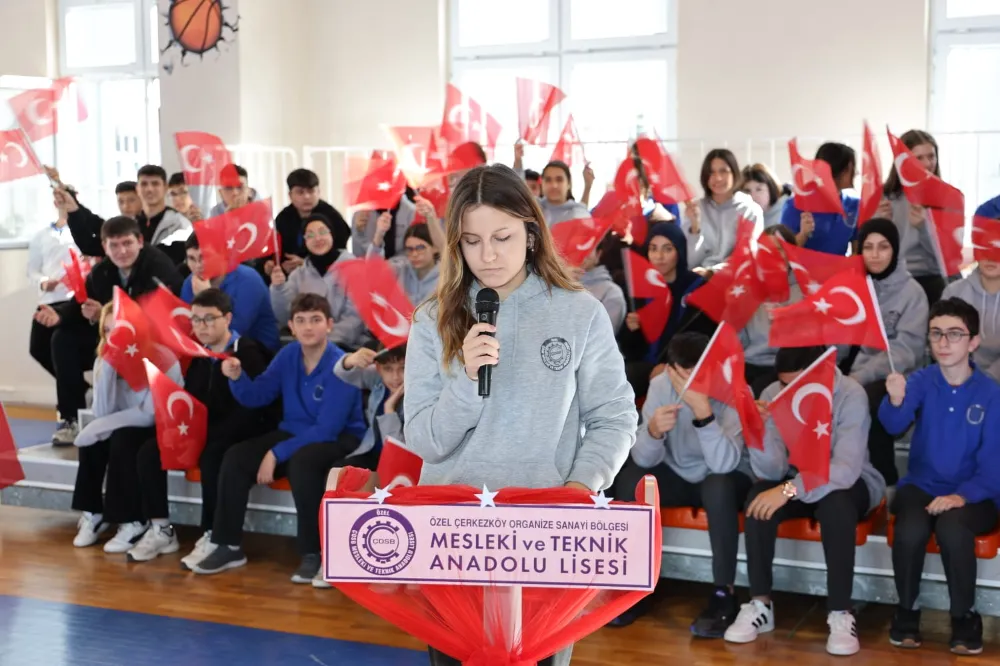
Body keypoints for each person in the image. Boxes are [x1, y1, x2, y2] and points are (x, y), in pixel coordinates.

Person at [403, 164, 638, 666]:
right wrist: (468, 382)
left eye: (502, 237)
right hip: (452, 537)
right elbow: (424, 439)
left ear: (531, 233)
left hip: (545, 534)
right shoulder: (431, 319)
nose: (487, 255)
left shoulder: (579, 312)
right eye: (471, 241)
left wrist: (579, 487)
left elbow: (615, 416)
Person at [191, 293, 368, 583]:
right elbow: (258, 395)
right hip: (296, 432)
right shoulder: (288, 355)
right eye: (301, 321)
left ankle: (314, 553)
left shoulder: (340, 363)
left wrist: (276, 453)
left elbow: (327, 429)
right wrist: (237, 378)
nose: (308, 327)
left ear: (329, 325)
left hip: (341, 437)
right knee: (236, 457)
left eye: (315, 320)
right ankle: (227, 545)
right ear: (292, 327)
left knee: (302, 463)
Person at [725, 346, 886, 656]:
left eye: (794, 385)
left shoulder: (850, 393)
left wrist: (789, 490)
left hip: (849, 482)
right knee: (758, 500)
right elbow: (772, 471)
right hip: (796, 477)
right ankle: (760, 604)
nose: (785, 392)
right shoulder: (773, 393)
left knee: (836, 506)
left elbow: (845, 469)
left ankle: (840, 611)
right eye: (783, 384)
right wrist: (758, 432)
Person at [879, 298, 1000, 655]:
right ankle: (907, 610)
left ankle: (964, 617)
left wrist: (961, 496)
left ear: (973, 342)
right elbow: (893, 425)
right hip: (922, 485)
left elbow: (994, 465)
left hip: (975, 493)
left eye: (954, 334)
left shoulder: (991, 394)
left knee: (952, 528)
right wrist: (895, 400)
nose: (944, 343)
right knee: (910, 528)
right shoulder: (922, 380)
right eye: (936, 334)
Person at [613, 332, 752, 637]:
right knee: (633, 479)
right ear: (671, 368)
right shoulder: (662, 384)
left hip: (723, 475)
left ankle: (724, 593)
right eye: (682, 372)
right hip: (677, 474)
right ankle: (634, 587)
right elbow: (644, 459)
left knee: (718, 486)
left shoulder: (735, 387)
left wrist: (704, 414)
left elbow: (724, 464)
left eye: (697, 371)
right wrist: (653, 432)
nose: (689, 379)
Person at [131, 289, 277, 565]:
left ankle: (213, 533)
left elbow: (256, 409)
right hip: (205, 430)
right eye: (196, 320)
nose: (201, 326)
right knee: (150, 450)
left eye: (209, 319)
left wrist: (205, 434)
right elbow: (192, 402)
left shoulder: (248, 352)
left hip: (243, 432)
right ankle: (162, 529)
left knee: (213, 455)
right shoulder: (199, 356)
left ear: (228, 318)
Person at [33, 216, 183, 446]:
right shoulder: (103, 271)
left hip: (152, 344)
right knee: (61, 338)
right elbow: (80, 303)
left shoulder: (158, 266)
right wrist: (60, 315)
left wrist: (103, 313)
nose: (121, 251)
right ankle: (71, 417)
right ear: (104, 246)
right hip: (115, 342)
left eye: (127, 243)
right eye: (114, 245)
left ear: (140, 241)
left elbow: (153, 315)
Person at [71, 303, 184, 553]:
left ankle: (132, 520)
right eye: (107, 330)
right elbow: (102, 411)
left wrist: (100, 426)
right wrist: (108, 370)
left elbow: (149, 414)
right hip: (123, 423)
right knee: (93, 442)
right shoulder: (104, 359)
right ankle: (93, 512)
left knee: (121, 438)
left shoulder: (162, 358)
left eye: (118, 330)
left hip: (164, 425)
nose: (113, 337)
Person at [842, 218, 929, 486]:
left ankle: (884, 482)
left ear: (895, 249)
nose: (875, 255)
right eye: (868, 247)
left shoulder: (912, 293)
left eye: (883, 247)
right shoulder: (851, 285)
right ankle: (839, 474)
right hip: (853, 371)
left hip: (896, 376)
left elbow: (906, 351)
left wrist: (859, 377)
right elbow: (839, 337)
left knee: (868, 401)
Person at [619, 222, 713, 399]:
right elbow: (628, 349)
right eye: (653, 249)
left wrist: (670, 365)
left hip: (682, 366)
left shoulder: (697, 288)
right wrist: (632, 330)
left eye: (667, 249)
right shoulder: (636, 287)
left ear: (680, 251)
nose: (659, 256)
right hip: (643, 364)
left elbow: (704, 339)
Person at [270, 213, 370, 351]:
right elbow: (285, 316)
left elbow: (355, 319)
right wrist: (278, 288)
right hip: (307, 346)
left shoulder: (355, 268)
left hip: (348, 345)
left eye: (322, 232)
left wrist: (324, 343)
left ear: (332, 234)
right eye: (310, 235)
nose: (317, 238)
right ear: (304, 241)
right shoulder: (298, 275)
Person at [56, 165, 193, 264]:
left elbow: (166, 259)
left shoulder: (180, 224)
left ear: (165, 188)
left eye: (155, 184)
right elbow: (90, 244)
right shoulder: (130, 223)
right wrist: (72, 209)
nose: (149, 189)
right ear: (138, 189)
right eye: (144, 184)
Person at [27, 188, 81, 420]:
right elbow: (32, 270)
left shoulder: (83, 231)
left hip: (73, 302)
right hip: (49, 300)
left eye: (67, 198)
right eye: (59, 199)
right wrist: (42, 282)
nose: (62, 202)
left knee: (64, 351)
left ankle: (70, 410)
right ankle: (81, 390)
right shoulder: (41, 235)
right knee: (38, 349)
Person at [881, 130, 947, 305]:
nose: (927, 164)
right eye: (919, 158)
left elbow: (945, 256)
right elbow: (871, 247)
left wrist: (923, 228)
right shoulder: (884, 196)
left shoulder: (947, 196)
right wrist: (880, 224)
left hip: (930, 277)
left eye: (931, 156)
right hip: (892, 277)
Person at [182, 234, 280, 352]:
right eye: (191, 259)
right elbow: (187, 327)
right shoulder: (190, 282)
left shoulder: (248, 280)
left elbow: (233, 331)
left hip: (256, 350)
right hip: (210, 349)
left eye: (204, 257)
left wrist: (208, 295)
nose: (198, 265)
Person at [741, 226, 804, 396]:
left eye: (778, 249)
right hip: (748, 363)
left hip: (785, 368)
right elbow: (738, 343)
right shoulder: (747, 288)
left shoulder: (804, 290)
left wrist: (785, 319)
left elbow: (808, 343)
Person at [683, 149, 764, 272]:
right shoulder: (696, 209)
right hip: (699, 277)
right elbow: (691, 263)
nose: (718, 178)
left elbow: (746, 257)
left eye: (723, 171)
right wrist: (695, 227)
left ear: (734, 174)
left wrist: (712, 272)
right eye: (711, 172)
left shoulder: (750, 210)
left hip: (738, 277)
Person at [780, 142, 860, 255]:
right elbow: (783, 252)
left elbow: (857, 250)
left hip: (839, 266)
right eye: (851, 168)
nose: (856, 173)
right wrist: (803, 234)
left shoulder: (854, 205)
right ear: (838, 171)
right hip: (804, 266)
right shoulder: (795, 206)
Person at [333, 343, 405, 464]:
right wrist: (349, 360)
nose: (395, 377)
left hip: (394, 462)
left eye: (403, 368)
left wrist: (389, 409)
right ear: (378, 369)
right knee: (339, 470)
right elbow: (341, 372)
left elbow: (398, 454)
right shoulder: (378, 378)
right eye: (388, 369)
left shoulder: (418, 398)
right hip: (370, 451)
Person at [271, 168, 350, 277]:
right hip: (291, 276)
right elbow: (276, 248)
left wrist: (307, 264)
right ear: (290, 195)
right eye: (300, 192)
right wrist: (276, 265)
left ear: (318, 192)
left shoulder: (332, 216)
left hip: (329, 275)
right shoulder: (283, 217)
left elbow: (340, 252)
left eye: (311, 191)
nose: (306, 197)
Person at [941, 255, 1000, 382]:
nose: (991, 258)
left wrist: (987, 381)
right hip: (960, 379)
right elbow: (943, 341)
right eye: (985, 249)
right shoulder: (954, 292)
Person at [367, 216, 443, 306]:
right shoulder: (401, 267)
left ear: (435, 248)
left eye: (420, 248)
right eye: (409, 249)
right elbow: (374, 272)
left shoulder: (445, 276)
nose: (414, 254)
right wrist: (379, 234)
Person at [535, 161, 592, 228]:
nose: (554, 185)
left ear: (568, 184)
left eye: (559, 180)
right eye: (548, 180)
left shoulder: (579, 214)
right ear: (542, 183)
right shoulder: (533, 207)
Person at [742, 163, 790, 229]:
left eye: (759, 189)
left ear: (771, 188)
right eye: (747, 191)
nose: (753, 196)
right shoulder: (745, 215)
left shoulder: (788, 211)